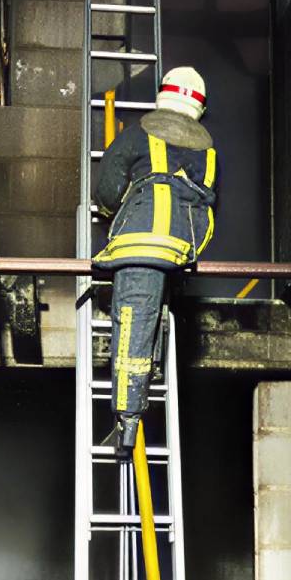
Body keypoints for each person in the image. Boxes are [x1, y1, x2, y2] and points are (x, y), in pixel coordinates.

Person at [93, 66, 217, 457]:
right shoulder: (209, 151)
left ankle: (127, 422)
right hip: (185, 246)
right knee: (153, 315)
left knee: (132, 324)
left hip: (140, 242)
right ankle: (152, 371)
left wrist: (115, 208)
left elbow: (107, 193)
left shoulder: (135, 136)